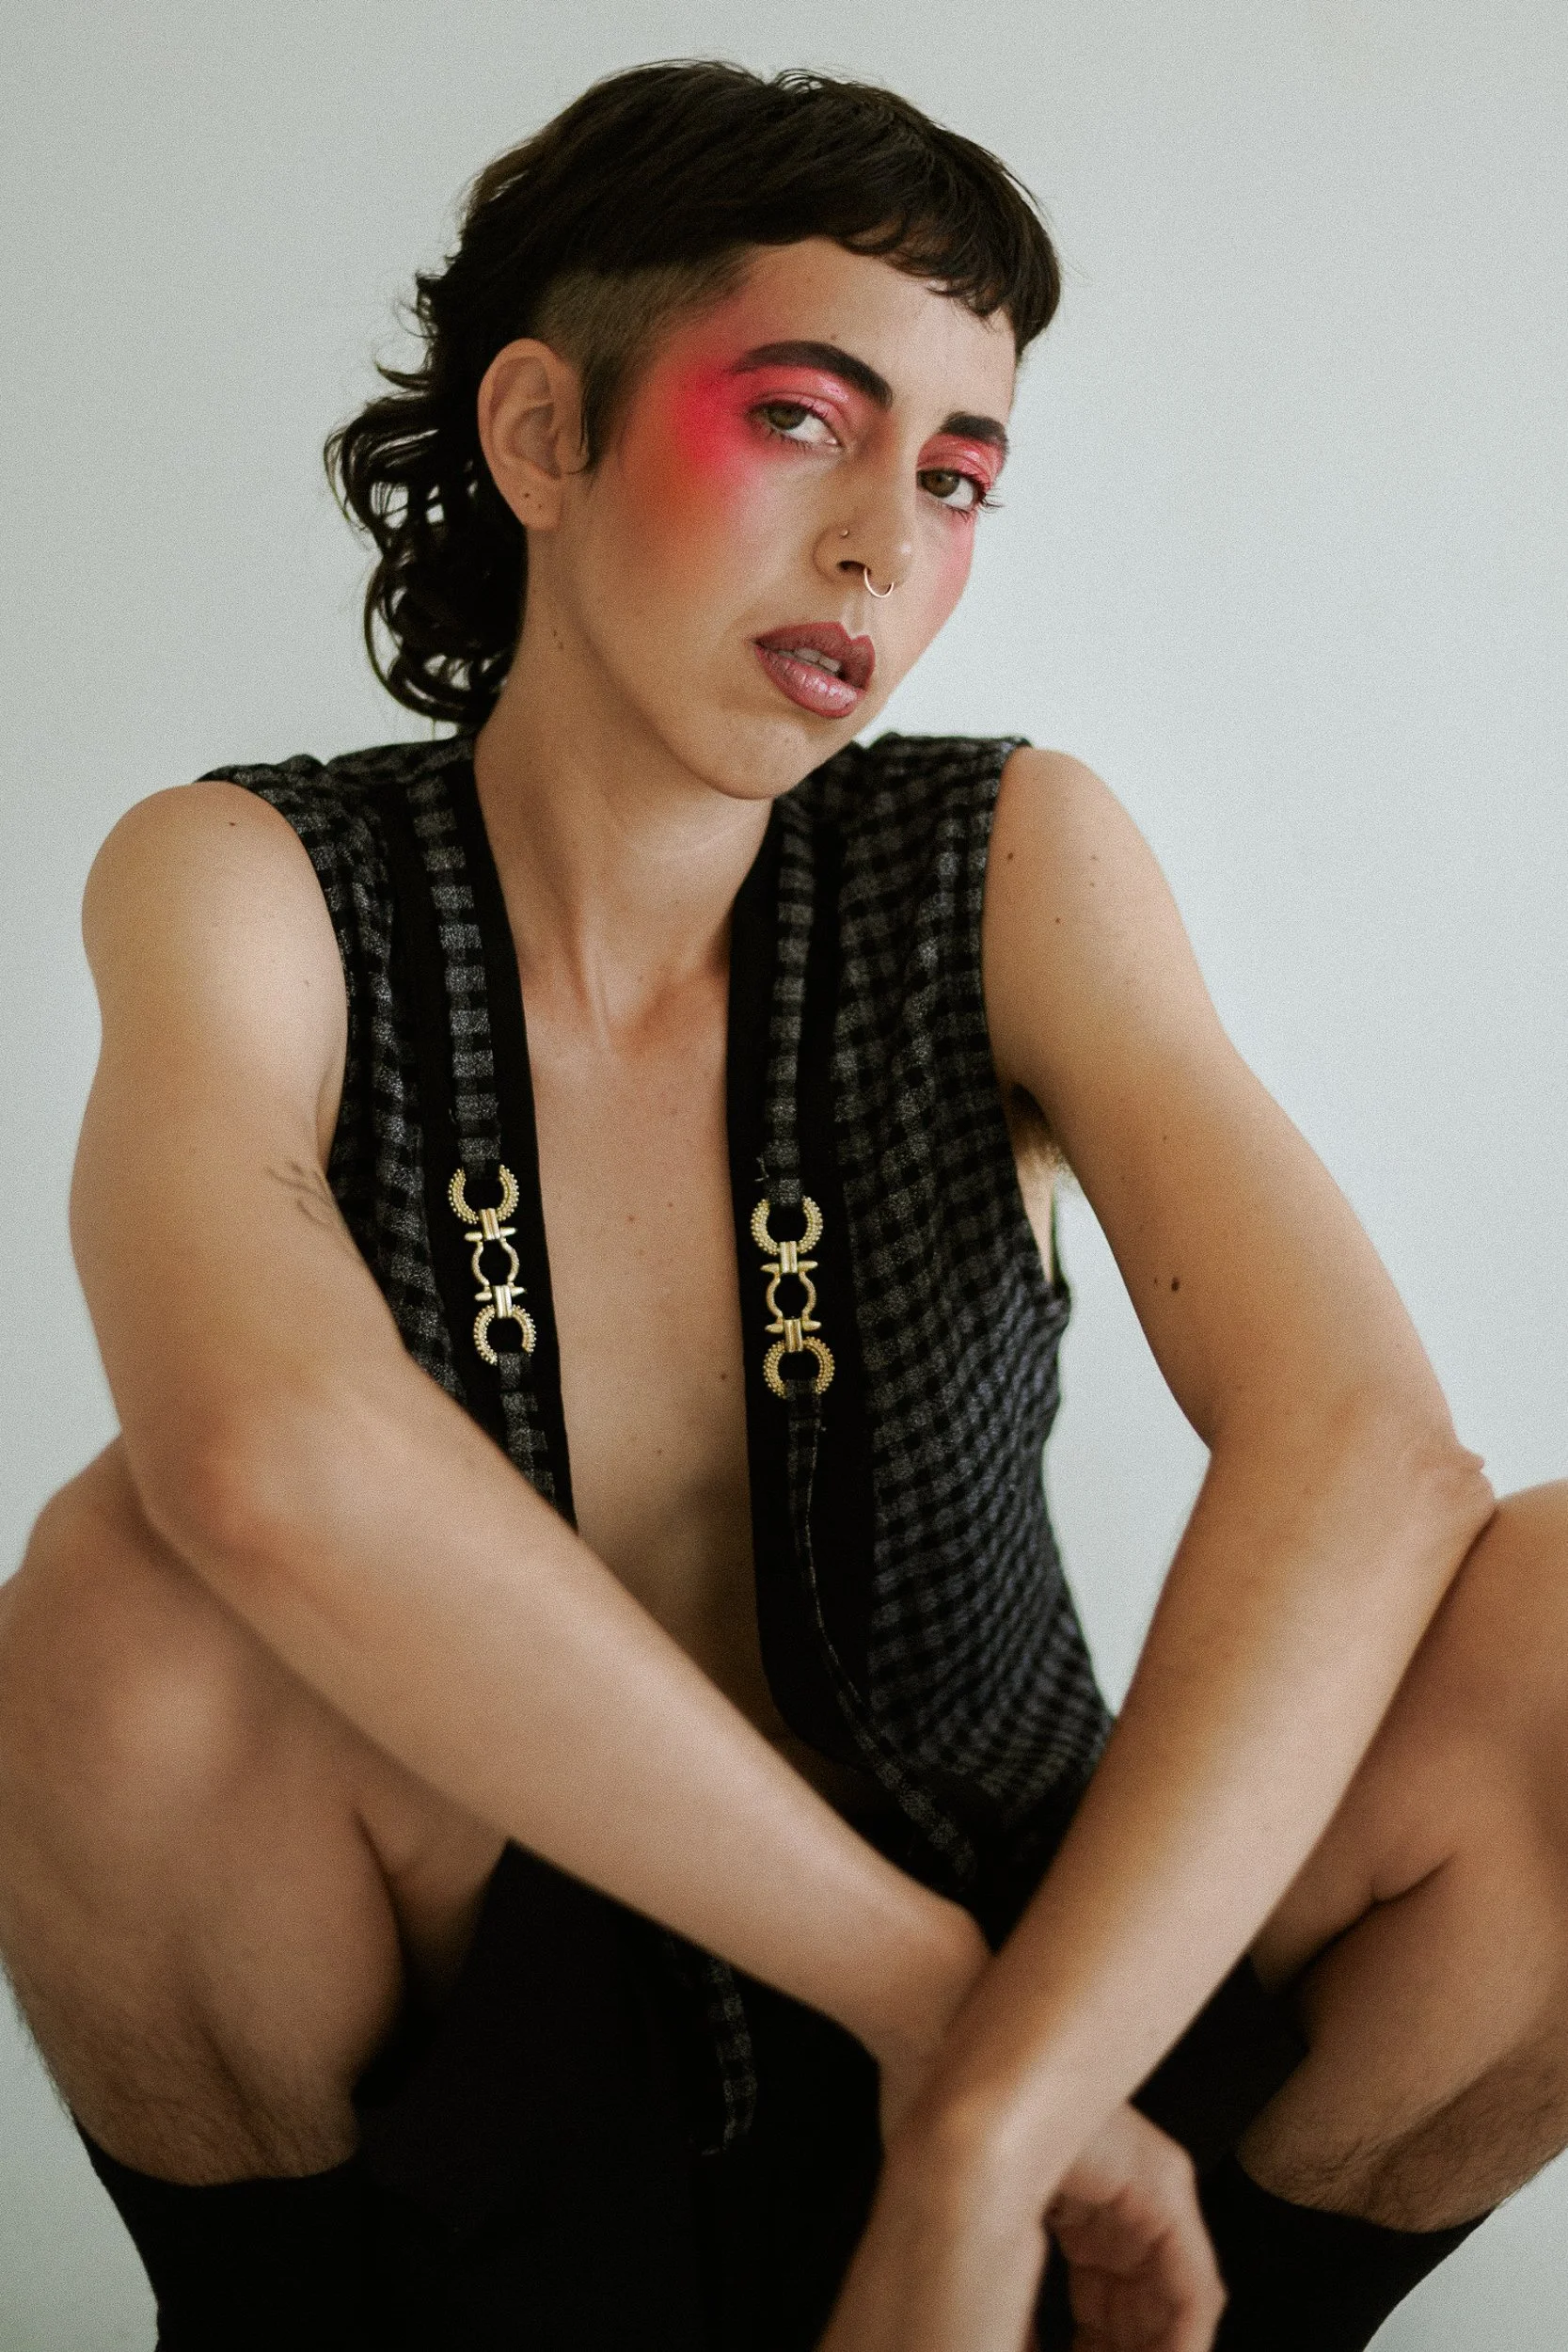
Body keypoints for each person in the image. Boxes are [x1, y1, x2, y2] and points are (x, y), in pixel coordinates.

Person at [0, 57, 1564, 2352]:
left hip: (1068, 2031)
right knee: (115, 1602)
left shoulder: (1002, 855)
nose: (880, 549)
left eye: (953, 478)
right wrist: (928, 2016)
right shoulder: (252, 885)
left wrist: (994, 2112)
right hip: (531, 2075)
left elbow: (1362, 1448)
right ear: (541, 435)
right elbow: (264, 1453)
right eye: (804, 421)